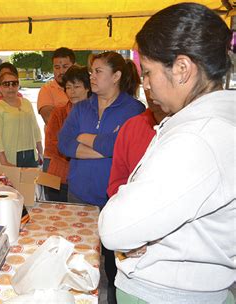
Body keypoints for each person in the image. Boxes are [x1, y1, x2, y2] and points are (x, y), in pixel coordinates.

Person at [99, 3, 234, 303]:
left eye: (148, 72)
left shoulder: (198, 139)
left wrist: (132, 231)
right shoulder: (211, 123)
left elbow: (113, 229)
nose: (145, 84)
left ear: (182, 69)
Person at [58, 51, 144, 304]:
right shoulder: (81, 107)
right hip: (79, 195)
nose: (91, 76)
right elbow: (63, 143)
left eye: (98, 72)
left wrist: (84, 138)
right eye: (91, 71)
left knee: (114, 264)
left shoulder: (134, 110)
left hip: (115, 200)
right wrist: (106, 149)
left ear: (116, 76)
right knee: (77, 258)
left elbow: (120, 147)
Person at [44, 65, 91, 202]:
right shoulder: (59, 113)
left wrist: (71, 148)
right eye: (68, 87)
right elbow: (51, 145)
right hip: (58, 178)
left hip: (85, 179)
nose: (72, 92)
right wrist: (80, 151)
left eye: (76, 87)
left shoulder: (96, 113)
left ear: (88, 88)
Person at [107, 92, 166, 197]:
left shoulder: (193, 130)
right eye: (146, 75)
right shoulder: (131, 126)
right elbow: (117, 182)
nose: (148, 84)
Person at [0, 72, 43, 167]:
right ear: (0, 87)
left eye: (14, 83)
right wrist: (4, 162)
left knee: (32, 181)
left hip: (31, 155)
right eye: (6, 84)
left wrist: (40, 151)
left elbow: (35, 128)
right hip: (10, 158)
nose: (11, 87)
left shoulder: (27, 103)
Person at [37, 47, 75, 124]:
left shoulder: (85, 87)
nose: (61, 71)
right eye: (57, 67)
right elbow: (50, 120)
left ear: (74, 66)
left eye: (65, 67)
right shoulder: (47, 89)